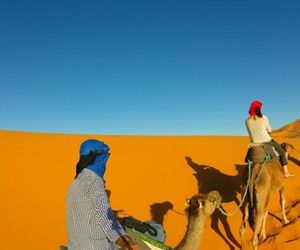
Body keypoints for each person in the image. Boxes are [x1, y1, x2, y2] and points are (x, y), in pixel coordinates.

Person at [66, 139, 140, 250]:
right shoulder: (94, 183)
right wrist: (125, 241)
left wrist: (114, 213)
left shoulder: (76, 183)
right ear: (99, 158)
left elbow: (87, 210)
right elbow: (103, 216)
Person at [245, 100, 295, 178]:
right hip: (267, 141)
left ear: (251, 109)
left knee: (247, 158)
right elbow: (269, 130)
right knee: (281, 152)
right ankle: (286, 172)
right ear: (259, 109)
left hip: (253, 144)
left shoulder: (247, 121)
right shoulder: (264, 118)